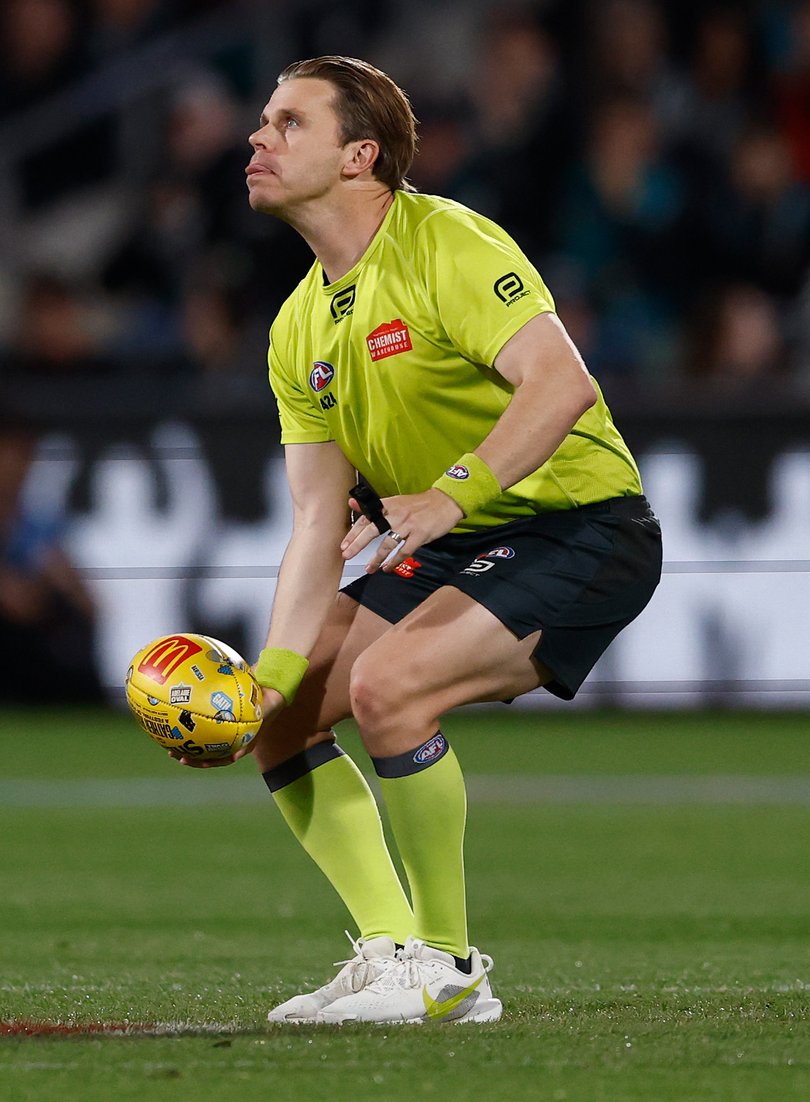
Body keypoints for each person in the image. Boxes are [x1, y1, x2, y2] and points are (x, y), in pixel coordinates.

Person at [174, 55, 662, 1025]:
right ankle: (393, 951)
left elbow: (561, 385)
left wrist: (455, 491)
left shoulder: (447, 241)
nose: (256, 138)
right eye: (263, 121)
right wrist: (269, 668)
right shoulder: (298, 325)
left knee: (389, 685)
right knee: (283, 715)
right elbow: (319, 518)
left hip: (578, 524)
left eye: (287, 122)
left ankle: (450, 971)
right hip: (450, 533)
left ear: (361, 156)